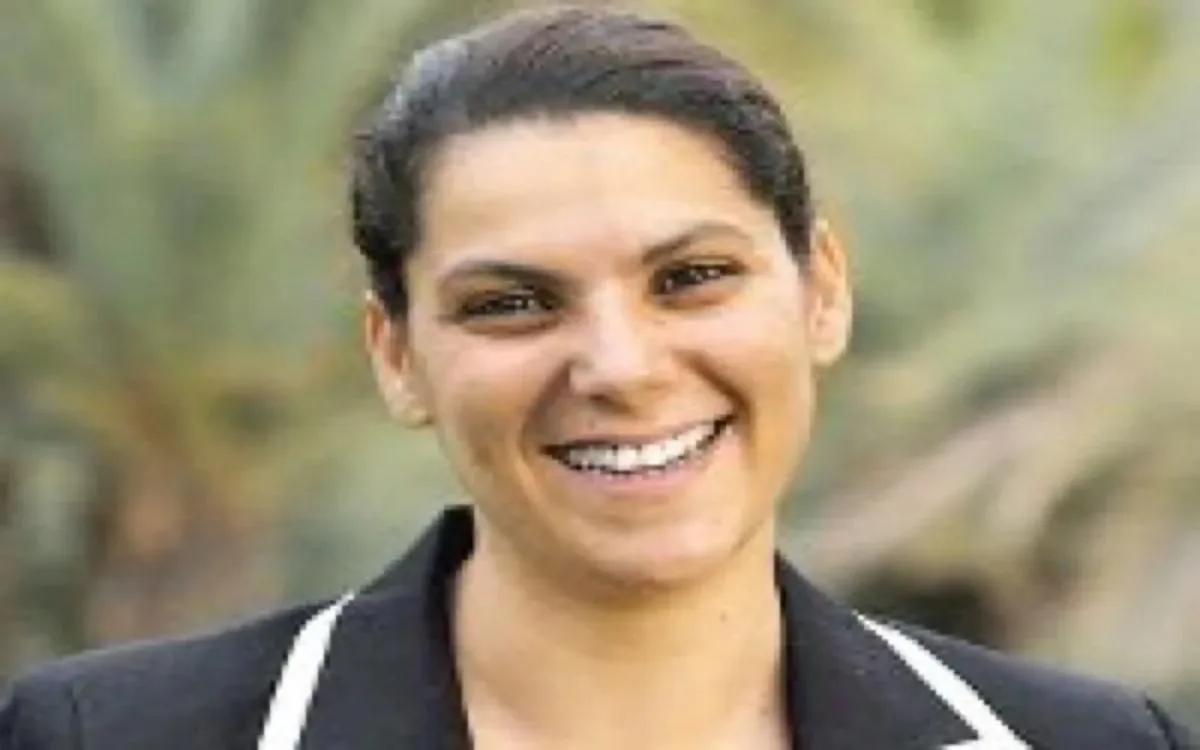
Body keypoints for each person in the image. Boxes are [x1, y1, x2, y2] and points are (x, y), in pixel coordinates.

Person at [1, 5, 1195, 749]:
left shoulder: (1083, 744)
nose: (620, 366)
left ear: (821, 290)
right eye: (510, 303)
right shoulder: (109, 738)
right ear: (398, 356)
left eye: (693, 278)